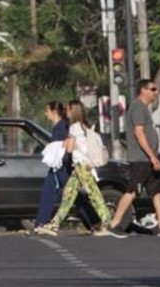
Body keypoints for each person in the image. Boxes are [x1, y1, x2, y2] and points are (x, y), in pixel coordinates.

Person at [107, 79, 160, 237]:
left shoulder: (144, 109)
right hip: (142, 159)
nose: (156, 92)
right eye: (153, 89)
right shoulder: (138, 107)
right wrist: (152, 157)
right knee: (132, 190)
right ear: (143, 91)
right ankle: (114, 224)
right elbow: (139, 134)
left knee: (157, 191)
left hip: (149, 160)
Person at [48, 101, 122, 237]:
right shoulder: (81, 127)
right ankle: (54, 224)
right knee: (69, 196)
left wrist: (65, 146)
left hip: (81, 165)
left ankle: (107, 223)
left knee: (94, 194)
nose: (66, 111)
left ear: (73, 110)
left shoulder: (74, 128)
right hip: (80, 166)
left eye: (68, 109)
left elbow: (70, 148)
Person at [31, 100, 69, 236]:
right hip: (56, 166)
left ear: (54, 112)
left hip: (62, 166)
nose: (45, 114)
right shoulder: (58, 127)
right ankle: (41, 222)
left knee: (73, 195)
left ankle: (95, 220)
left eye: (47, 110)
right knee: (48, 190)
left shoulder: (62, 127)